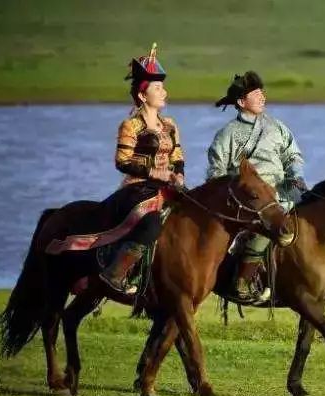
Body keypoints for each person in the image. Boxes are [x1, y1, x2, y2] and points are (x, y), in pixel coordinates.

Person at [206, 71, 306, 300]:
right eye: (256, 93)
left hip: (283, 188)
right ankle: (243, 279)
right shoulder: (227, 134)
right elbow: (217, 173)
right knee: (270, 222)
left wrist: (297, 175)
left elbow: (293, 156)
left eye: (262, 92)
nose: (263, 97)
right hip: (251, 198)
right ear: (242, 102)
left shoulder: (277, 126)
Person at [99, 43, 185, 293]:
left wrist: (178, 174)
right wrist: (155, 173)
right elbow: (122, 161)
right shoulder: (130, 125)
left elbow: (178, 155)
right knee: (152, 223)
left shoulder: (170, 125)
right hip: (136, 189)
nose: (164, 92)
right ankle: (116, 273)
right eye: (158, 88)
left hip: (168, 187)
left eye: (163, 87)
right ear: (142, 95)